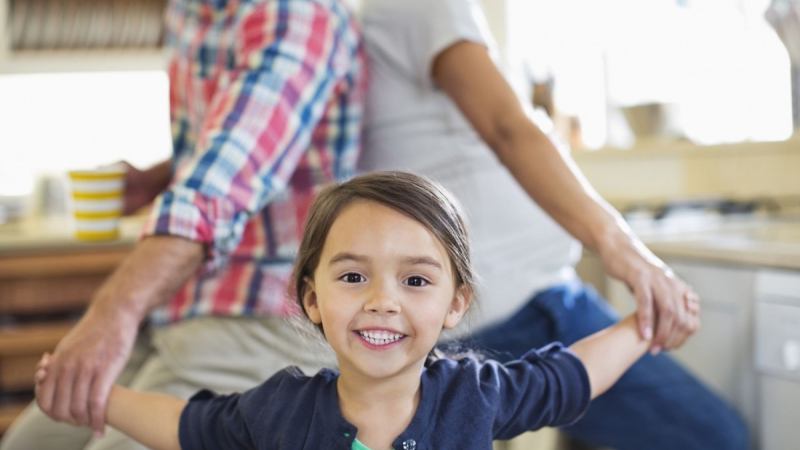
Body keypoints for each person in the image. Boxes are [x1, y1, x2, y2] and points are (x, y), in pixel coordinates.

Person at [34, 171, 671, 450]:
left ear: (456, 303)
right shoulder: (280, 409)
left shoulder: (478, 395)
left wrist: (647, 323)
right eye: (353, 276)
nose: (382, 301)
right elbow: (188, 427)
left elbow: (570, 375)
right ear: (312, 298)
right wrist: (98, 397)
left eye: (415, 280)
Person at [357, 1, 749, 449]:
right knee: (716, 438)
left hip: (500, 302)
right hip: (523, 303)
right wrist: (627, 252)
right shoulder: (424, 6)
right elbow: (508, 128)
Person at [0, 0, 365, 449]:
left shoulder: (296, 15)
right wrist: (160, 177)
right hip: (180, 309)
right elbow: (236, 141)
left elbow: (221, 183)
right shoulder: (191, 9)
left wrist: (110, 316)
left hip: (266, 319)